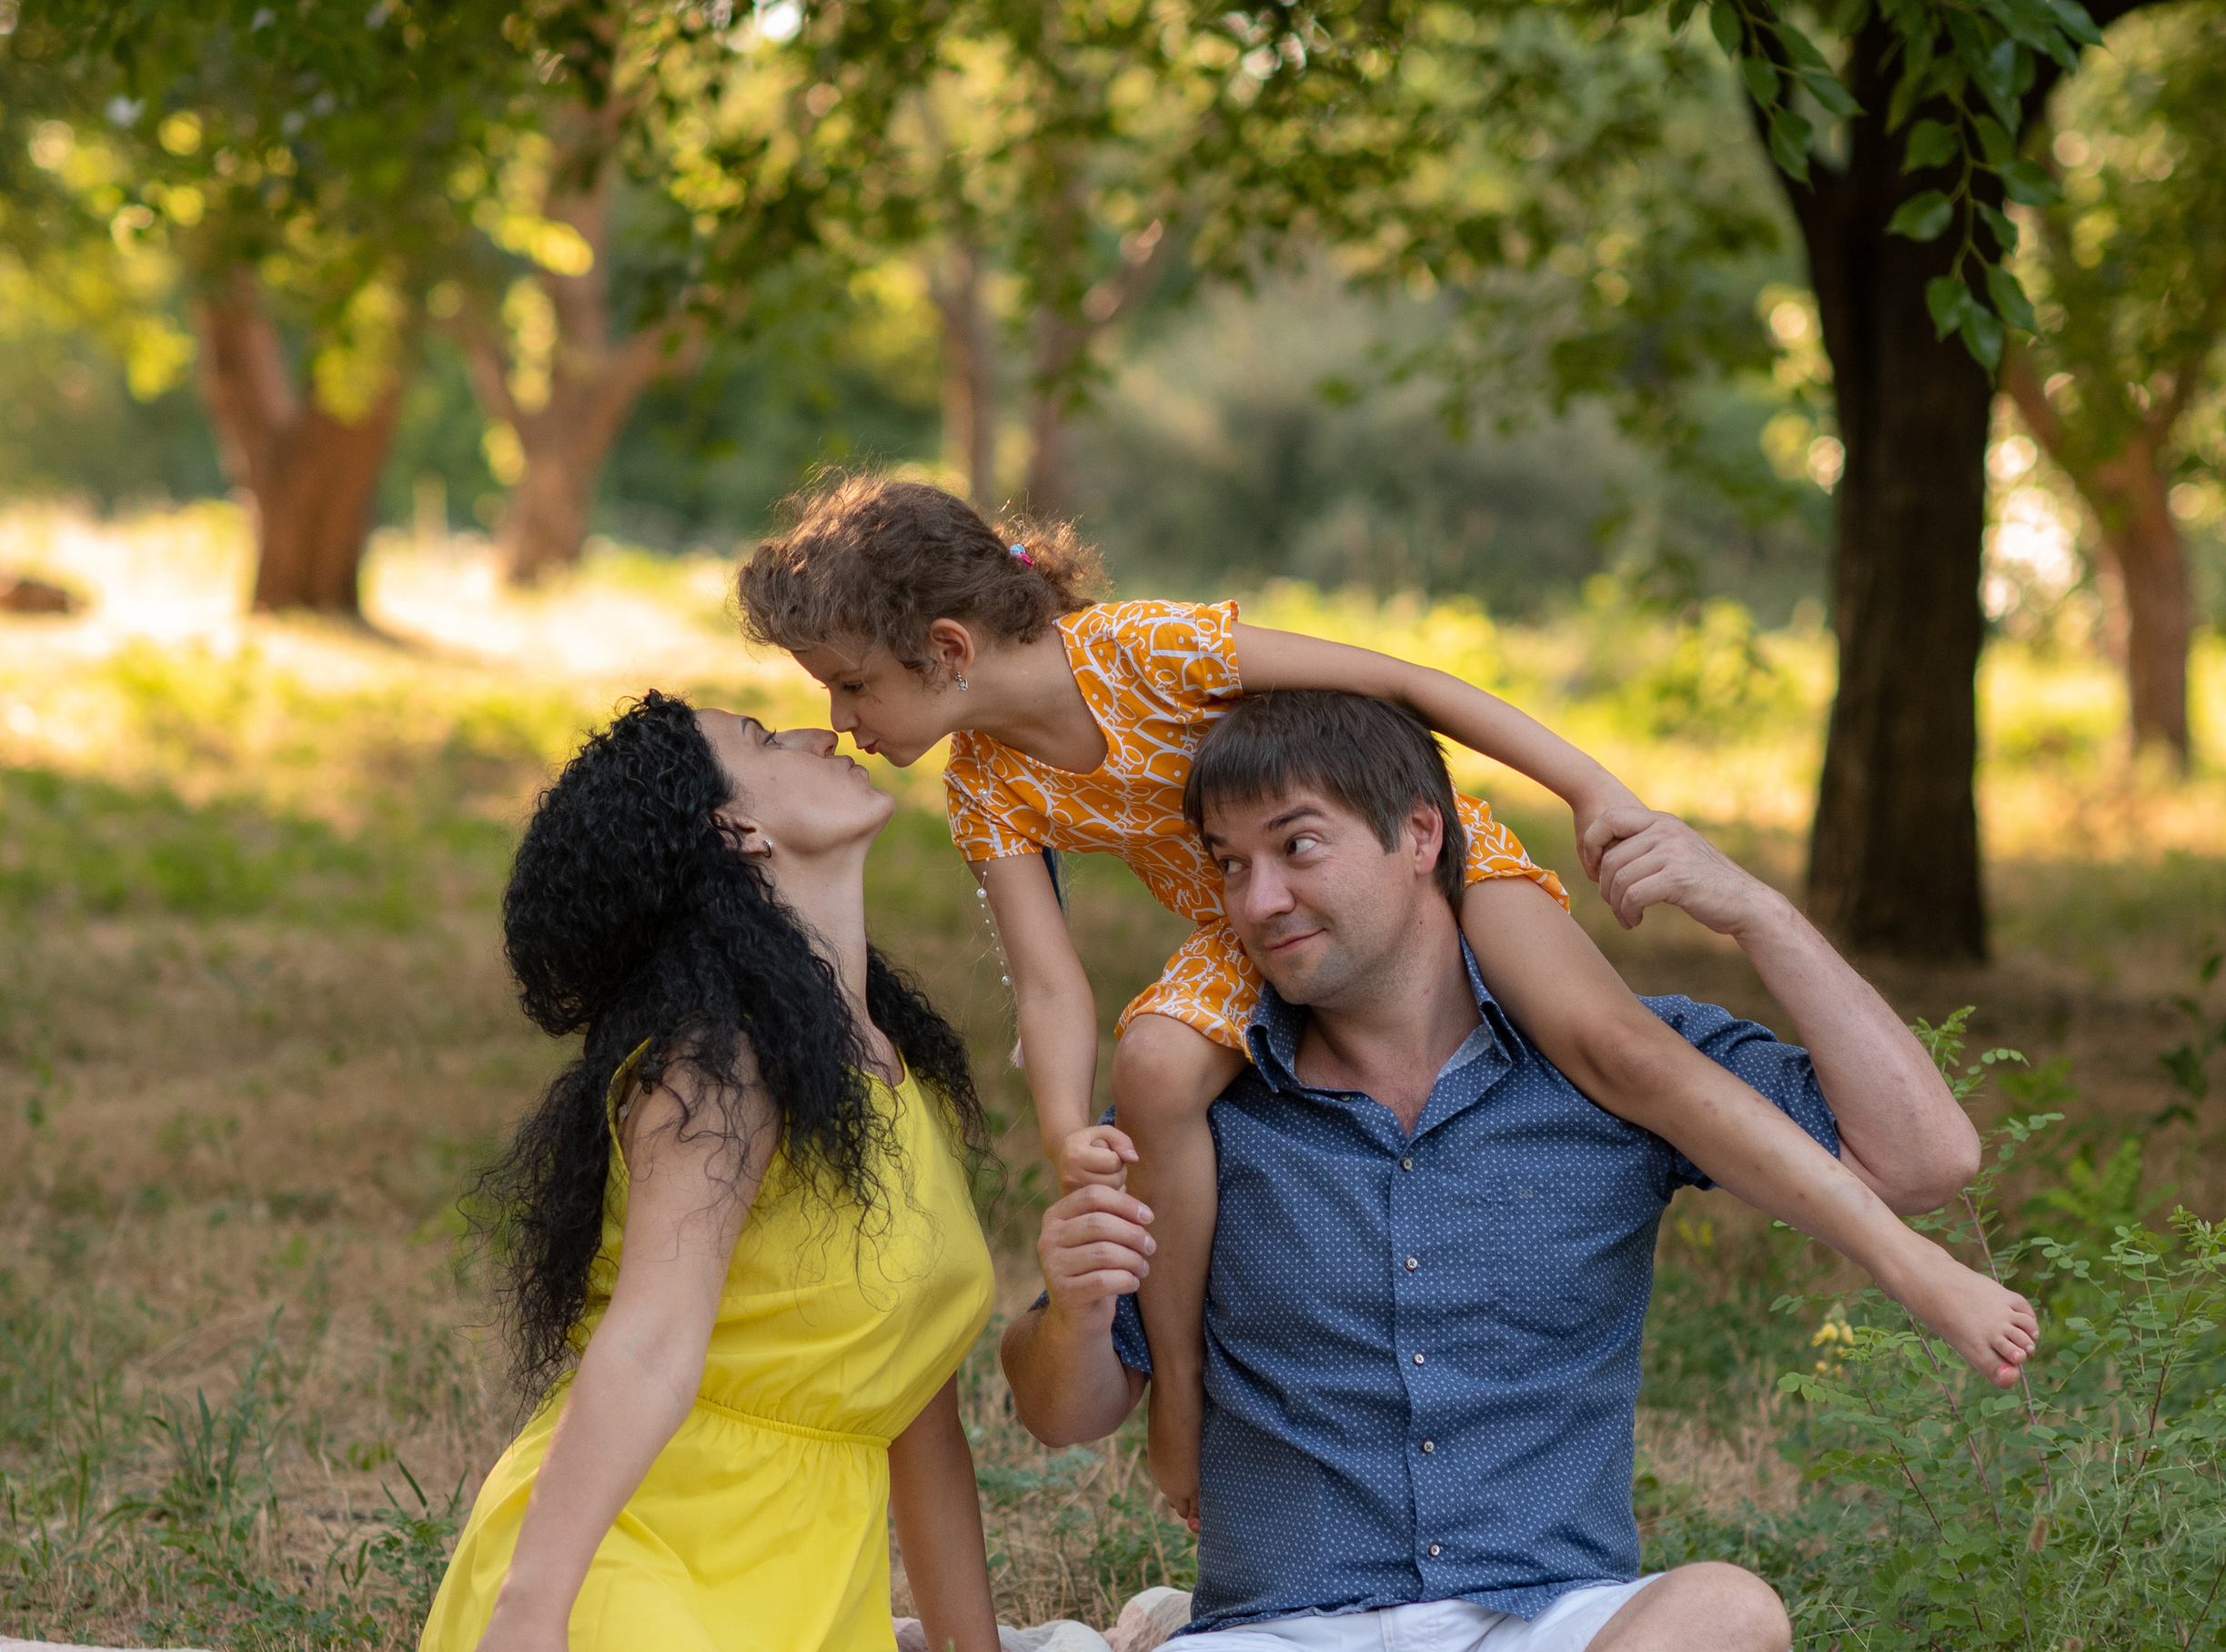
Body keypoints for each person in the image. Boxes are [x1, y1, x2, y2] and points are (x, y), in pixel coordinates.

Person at [736, 477, 2036, 1524]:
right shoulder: (988, 780)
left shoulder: (1147, 647)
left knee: (1613, 1049)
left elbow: (1410, 688)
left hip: (1417, 857)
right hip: (1253, 925)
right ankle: (1180, 1399)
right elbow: (1050, 978)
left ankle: (1904, 1260)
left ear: (948, 649)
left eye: (852, 684)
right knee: (1151, 1066)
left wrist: (1593, 789)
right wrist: (1069, 1132)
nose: (843, 722)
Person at [1004, 690, 2036, 1652]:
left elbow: (1929, 1158)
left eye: (1298, 845)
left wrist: (1754, 908)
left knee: (1730, 1618)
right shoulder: (1203, 1111)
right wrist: (1076, 1290)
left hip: (1545, 1635)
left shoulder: (1619, 1066)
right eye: (1229, 865)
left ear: (1421, 835)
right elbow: (1064, 1411)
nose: (1257, 898)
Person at [0, 692, 1047, 1652]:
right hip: (629, 1540)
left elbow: (915, 1411)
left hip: (789, 1582)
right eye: (764, 741)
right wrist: (531, 1617)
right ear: (737, 830)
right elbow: (648, 1346)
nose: (821, 731)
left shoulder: (890, 1071)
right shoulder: (719, 1064)